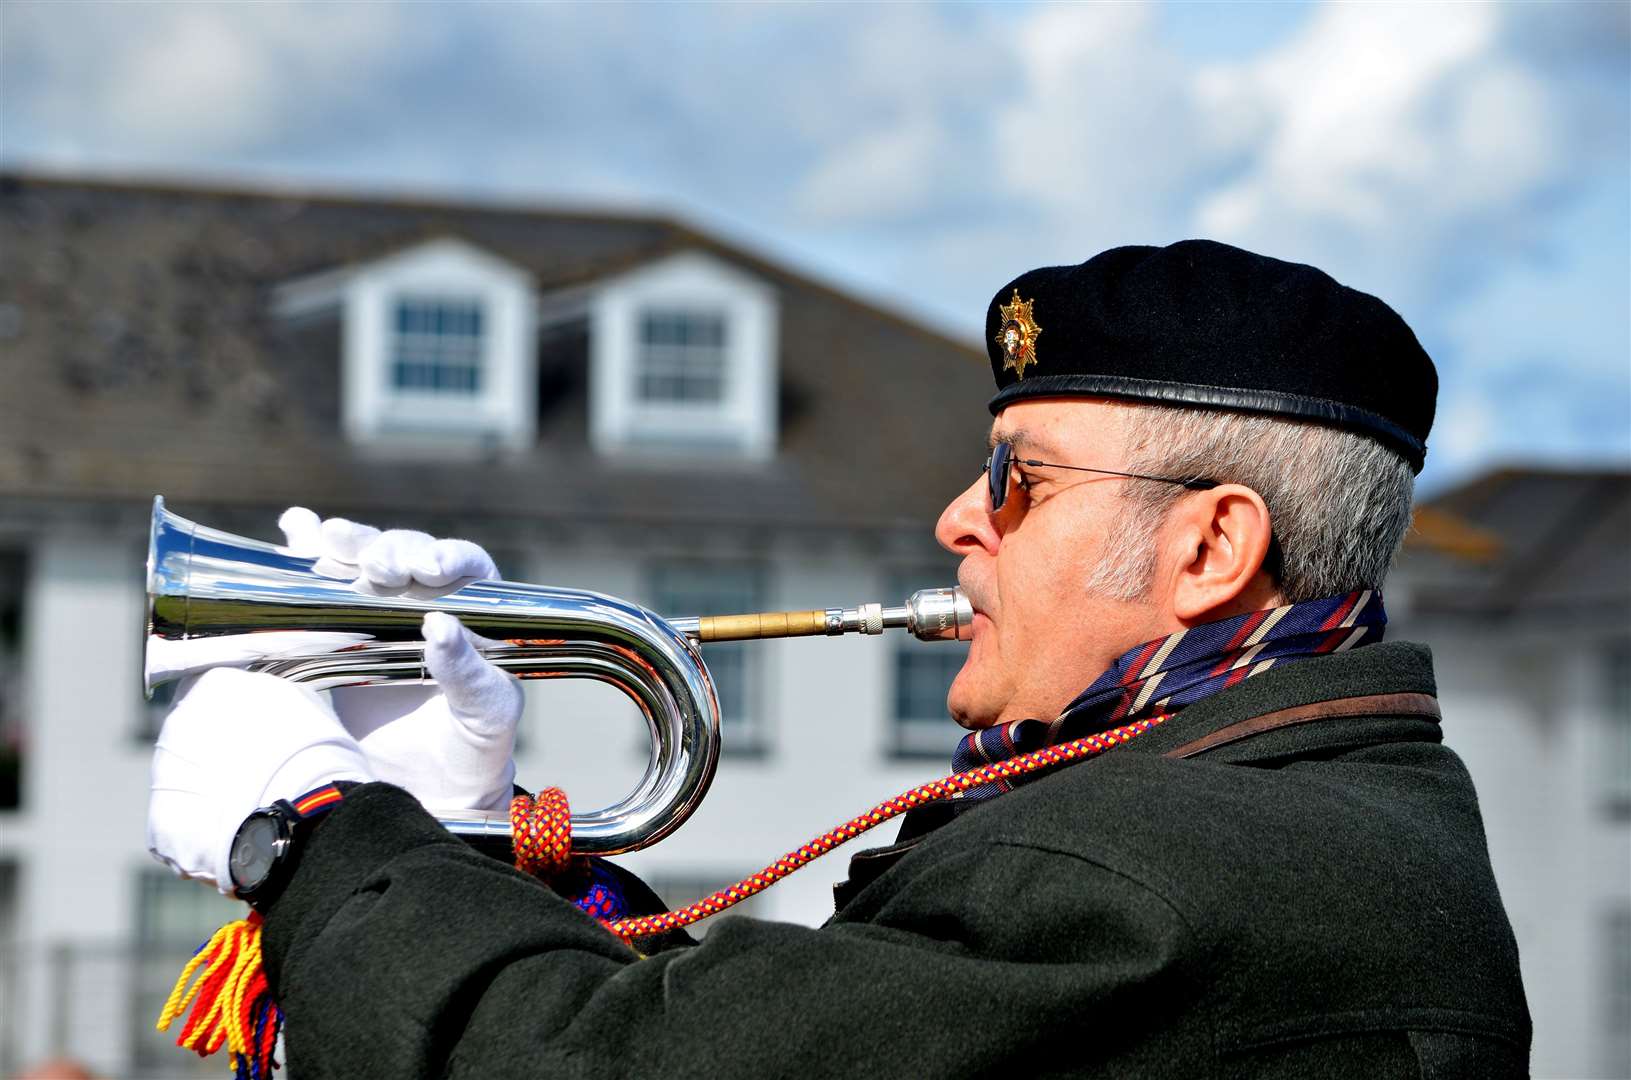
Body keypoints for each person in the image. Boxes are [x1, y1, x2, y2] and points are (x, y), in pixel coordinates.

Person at [148, 240, 1531, 1078]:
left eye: (1020, 481)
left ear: (1212, 550)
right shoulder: (1280, 811)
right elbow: (763, 1037)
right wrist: (464, 830)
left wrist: (320, 836)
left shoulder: (1139, 874)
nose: (956, 520)